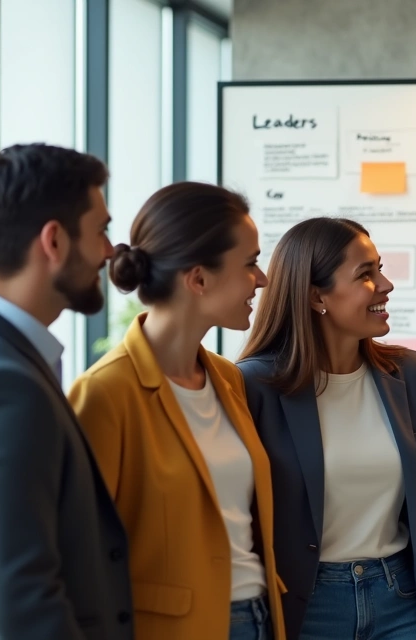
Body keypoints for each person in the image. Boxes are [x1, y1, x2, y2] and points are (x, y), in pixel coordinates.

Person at [67, 182, 286, 640]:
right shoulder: (105, 393)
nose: (262, 279)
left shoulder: (227, 379)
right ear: (199, 278)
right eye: (250, 264)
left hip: (261, 618)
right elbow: (78, 557)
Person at [237, 217, 416, 640]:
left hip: (398, 597)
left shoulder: (410, 373)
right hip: (307, 603)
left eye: (380, 269)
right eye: (365, 274)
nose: (385, 285)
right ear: (315, 296)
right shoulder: (254, 386)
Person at [0, 143, 133, 639]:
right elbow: (23, 597)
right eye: (101, 230)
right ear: (53, 241)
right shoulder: (3, 383)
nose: (109, 252)